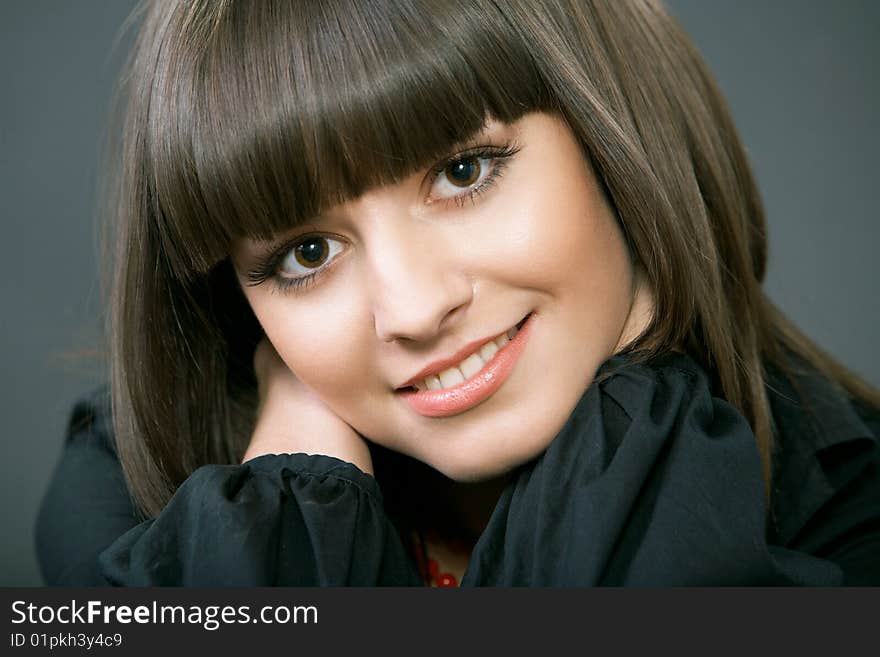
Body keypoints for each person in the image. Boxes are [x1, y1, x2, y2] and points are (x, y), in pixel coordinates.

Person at [36, 0, 880, 586]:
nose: (412, 308)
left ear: (615, 139)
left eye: (462, 171)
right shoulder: (134, 515)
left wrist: (638, 414)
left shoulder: (852, 521)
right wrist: (297, 493)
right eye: (307, 252)